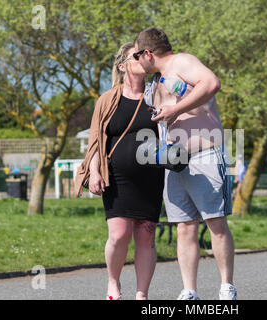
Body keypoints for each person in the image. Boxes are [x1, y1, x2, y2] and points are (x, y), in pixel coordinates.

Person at [134, 27, 237, 300]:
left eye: (136, 55)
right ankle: (189, 290)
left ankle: (226, 287)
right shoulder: (154, 82)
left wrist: (175, 109)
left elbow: (211, 83)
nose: (136, 61)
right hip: (174, 163)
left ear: (147, 53)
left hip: (204, 154)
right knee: (184, 227)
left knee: (216, 222)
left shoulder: (182, 62)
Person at [75, 42, 164, 300]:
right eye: (134, 57)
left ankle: (141, 294)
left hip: (151, 177)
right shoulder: (107, 100)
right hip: (117, 177)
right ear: (123, 66)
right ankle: (113, 283)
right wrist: (95, 171)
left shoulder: (157, 96)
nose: (141, 59)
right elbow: (95, 141)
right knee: (119, 234)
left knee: (146, 234)